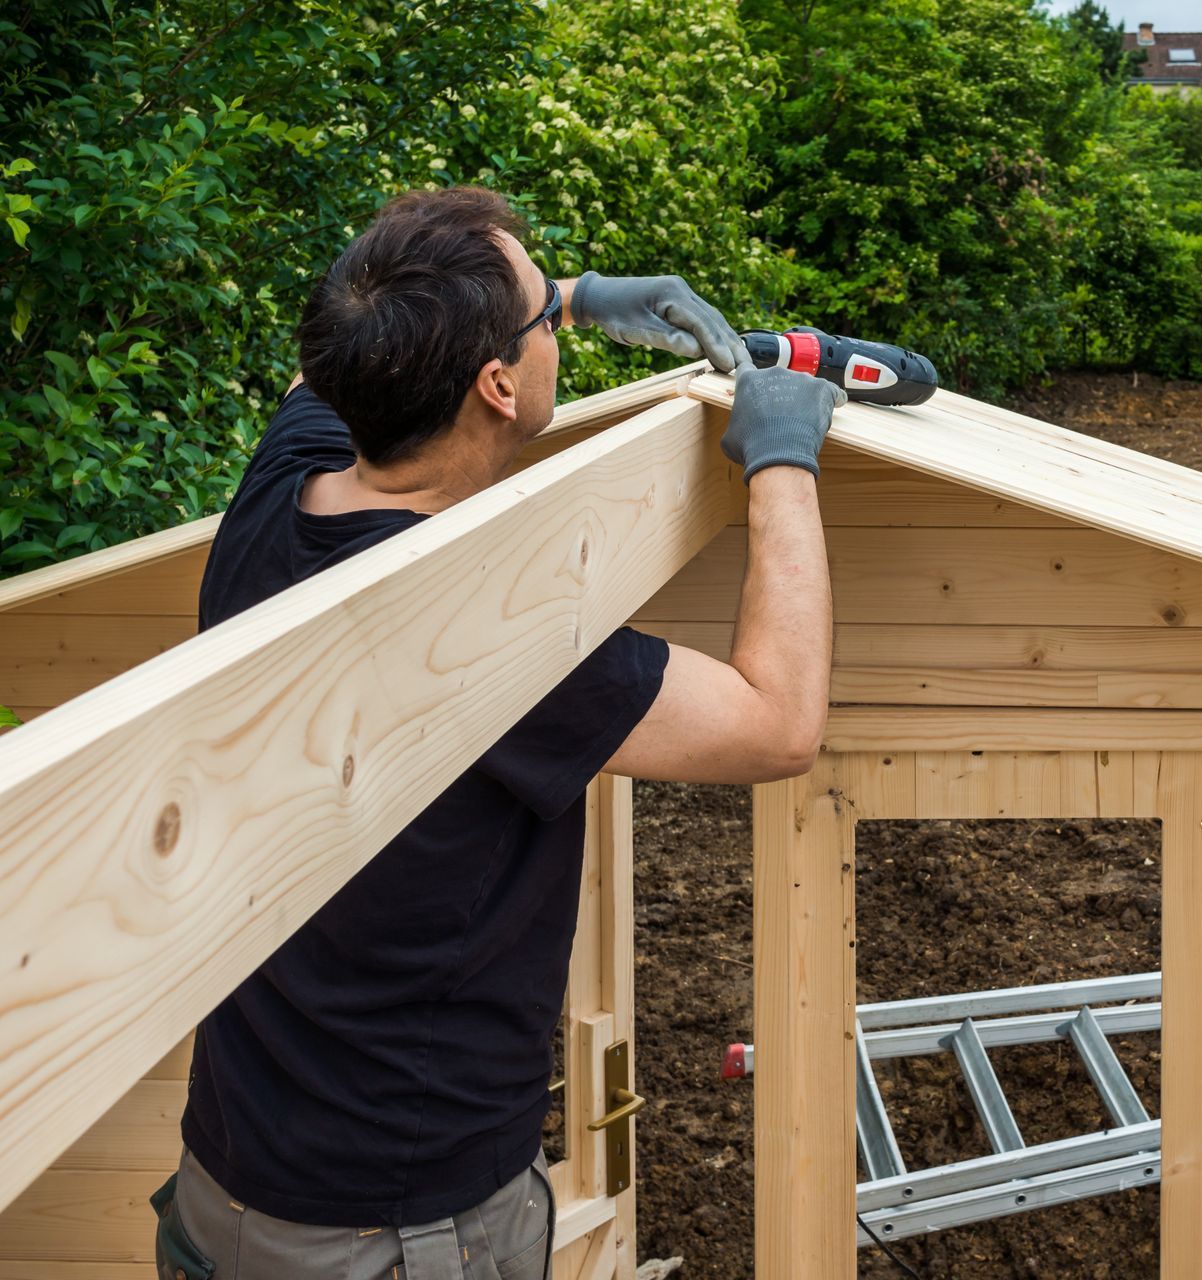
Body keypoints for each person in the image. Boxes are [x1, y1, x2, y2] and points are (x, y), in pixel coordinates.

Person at [150, 186, 841, 1280]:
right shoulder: (483, 627)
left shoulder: (278, 496)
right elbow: (777, 721)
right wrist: (784, 463)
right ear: (497, 384)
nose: (560, 324)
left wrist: (568, 294)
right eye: (546, 323)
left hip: (227, 1180)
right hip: (397, 1231)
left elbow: (346, 339)